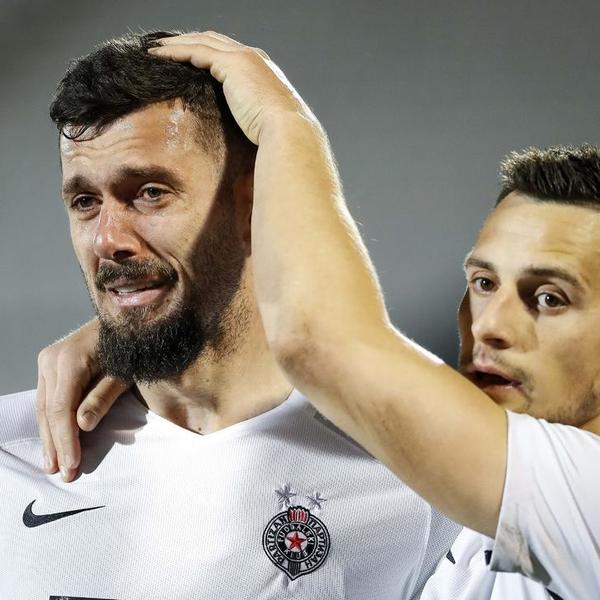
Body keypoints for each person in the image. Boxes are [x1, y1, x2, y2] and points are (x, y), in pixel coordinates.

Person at [37, 33, 600, 600]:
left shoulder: (583, 499)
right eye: (482, 283)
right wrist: (152, 321)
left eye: (550, 298)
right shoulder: (474, 531)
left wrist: (286, 125)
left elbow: (321, 343)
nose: (488, 326)